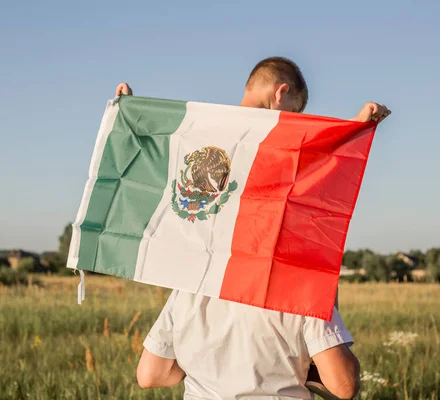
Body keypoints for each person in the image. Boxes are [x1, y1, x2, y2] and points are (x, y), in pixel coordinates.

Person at [115, 57, 390, 400]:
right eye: (297, 111)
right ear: (281, 93)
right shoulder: (297, 290)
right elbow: (344, 388)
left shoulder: (190, 285)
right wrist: (352, 129)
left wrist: (131, 116)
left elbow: (151, 374)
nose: (297, 122)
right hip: (274, 282)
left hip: (209, 270)